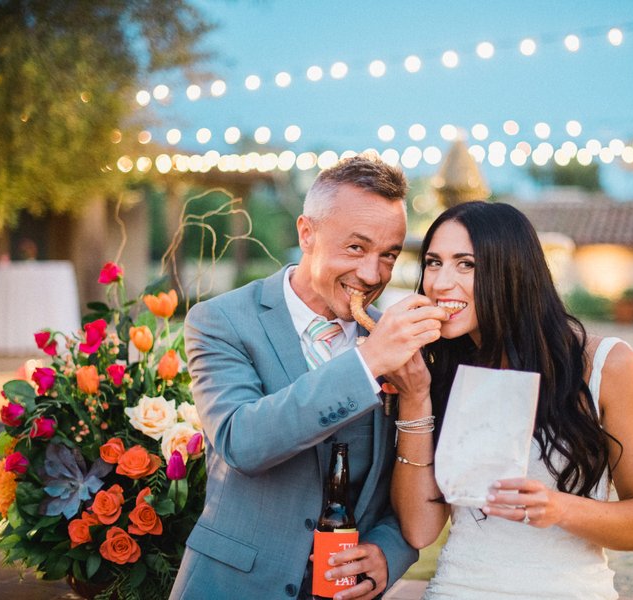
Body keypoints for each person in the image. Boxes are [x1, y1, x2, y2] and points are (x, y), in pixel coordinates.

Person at [170, 154, 447, 600]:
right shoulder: (221, 321)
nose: (371, 274)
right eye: (355, 248)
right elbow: (242, 441)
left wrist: (389, 552)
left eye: (388, 255)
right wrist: (366, 363)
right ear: (307, 233)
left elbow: (412, 478)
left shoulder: (400, 345)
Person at [388, 201, 633, 599]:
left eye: (465, 264)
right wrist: (415, 397)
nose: (439, 282)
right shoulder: (439, 370)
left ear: (511, 271)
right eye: (434, 263)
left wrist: (559, 509)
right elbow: (419, 528)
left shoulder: (608, 366)